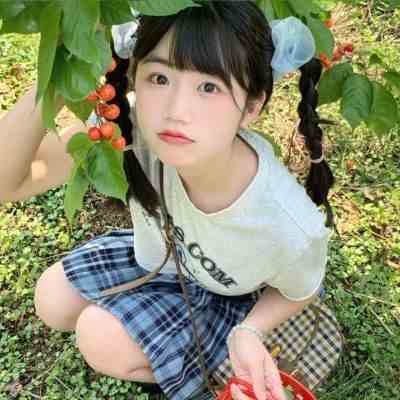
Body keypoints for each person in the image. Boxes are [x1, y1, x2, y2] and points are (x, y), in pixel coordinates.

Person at [0, 2, 340, 399]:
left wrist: (250, 330)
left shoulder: (288, 224)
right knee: (52, 300)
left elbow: (301, 290)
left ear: (251, 106)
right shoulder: (128, 130)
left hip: (229, 293)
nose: (176, 112)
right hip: (163, 258)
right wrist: (58, 72)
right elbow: (11, 182)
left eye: (209, 87)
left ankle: (202, 371)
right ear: (134, 75)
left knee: (99, 337)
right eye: (159, 78)